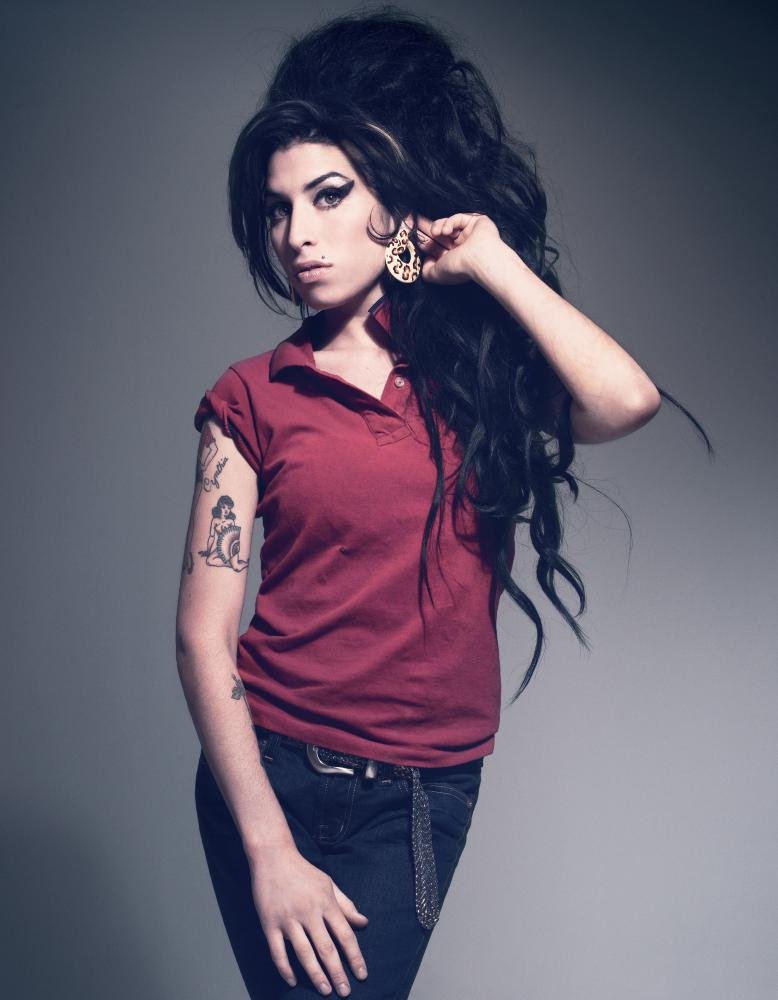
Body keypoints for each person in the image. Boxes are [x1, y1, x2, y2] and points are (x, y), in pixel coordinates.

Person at [175, 9, 711, 999]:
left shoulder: (473, 381)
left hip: (419, 797)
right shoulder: (249, 397)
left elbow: (625, 400)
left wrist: (489, 260)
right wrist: (269, 849)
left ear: (391, 197)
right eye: (278, 209)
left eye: (329, 195)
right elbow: (203, 637)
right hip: (266, 777)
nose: (298, 234)